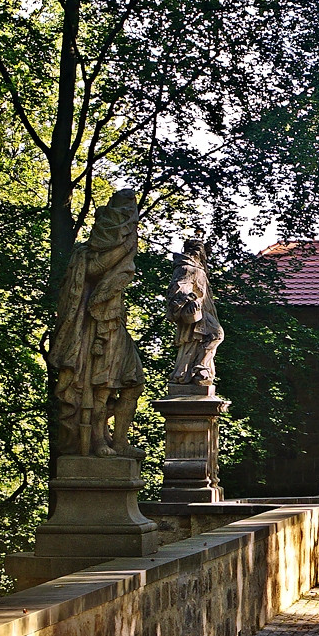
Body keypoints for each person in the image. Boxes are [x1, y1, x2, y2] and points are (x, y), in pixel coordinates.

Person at [50, 188, 144, 458]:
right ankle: (97, 440)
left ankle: (119, 441)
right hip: (93, 326)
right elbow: (94, 271)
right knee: (101, 388)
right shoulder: (87, 252)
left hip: (114, 321)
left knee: (133, 382)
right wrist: (124, 249)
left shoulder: (122, 244)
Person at [166, 234, 223, 386]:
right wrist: (188, 299)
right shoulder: (186, 267)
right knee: (215, 335)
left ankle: (195, 370)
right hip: (194, 310)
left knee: (203, 339)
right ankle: (198, 368)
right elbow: (178, 288)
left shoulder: (199, 269)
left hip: (204, 311)